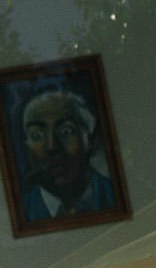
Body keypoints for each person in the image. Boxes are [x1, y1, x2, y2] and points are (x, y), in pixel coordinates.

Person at [18, 87, 118, 221]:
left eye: (66, 132)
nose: (52, 146)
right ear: (27, 148)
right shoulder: (20, 212)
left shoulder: (118, 195)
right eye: (37, 135)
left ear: (92, 142)